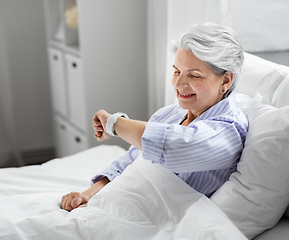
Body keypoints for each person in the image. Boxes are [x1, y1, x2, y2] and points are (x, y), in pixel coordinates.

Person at [61, 22, 248, 212]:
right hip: (120, 204)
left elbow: (172, 147)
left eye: (194, 75)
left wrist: (114, 124)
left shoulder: (228, 130)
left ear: (225, 80)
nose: (179, 83)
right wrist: (88, 194)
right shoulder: (169, 114)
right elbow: (129, 161)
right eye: (176, 71)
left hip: (160, 220)